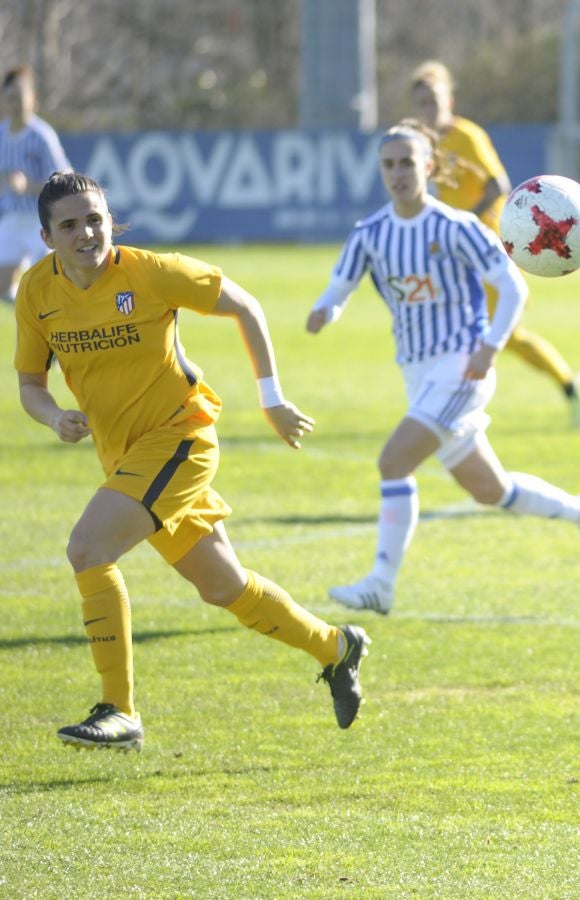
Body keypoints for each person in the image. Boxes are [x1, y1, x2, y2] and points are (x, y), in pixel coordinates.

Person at [14, 172, 370, 752]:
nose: (87, 233)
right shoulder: (36, 292)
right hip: (124, 456)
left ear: (111, 220)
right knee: (225, 587)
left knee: (88, 549)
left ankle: (119, 709)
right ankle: (336, 647)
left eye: (96, 219)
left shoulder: (151, 272)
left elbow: (245, 306)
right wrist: (54, 416)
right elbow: (30, 383)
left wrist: (272, 398)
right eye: (70, 224)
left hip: (181, 439)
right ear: (47, 236)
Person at [308, 121, 580, 616]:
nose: (397, 173)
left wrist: (490, 347)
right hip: (418, 375)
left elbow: (514, 288)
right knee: (490, 490)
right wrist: (326, 310)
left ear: (430, 167)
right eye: (388, 164)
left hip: (462, 369)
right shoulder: (370, 233)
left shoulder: (457, 228)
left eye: (407, 163)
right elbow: (339, 284)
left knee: (393, 462)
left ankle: (381, 584)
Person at [409, 60, 580, 428]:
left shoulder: (467, 136)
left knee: (506, 335)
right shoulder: (427, 145)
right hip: (456, 251)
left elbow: (498, 185)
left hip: (487, 246)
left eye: (434, 99)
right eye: (421, 102)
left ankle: (570, 386)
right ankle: (450, 409)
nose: (429, 108)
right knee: (457, 329)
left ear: (450, 99)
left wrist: (466, 220)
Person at [0, 65, 70, 304]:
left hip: (38, 220)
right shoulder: (1, 135)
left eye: (20, 96)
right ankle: (32, 315)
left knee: (50, 284)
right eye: (10, 98)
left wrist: (28, 186)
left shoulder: (42, 135)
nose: (15, 103)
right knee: (3, 287)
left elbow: (63, 179)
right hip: (11, 217)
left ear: (32, 98)